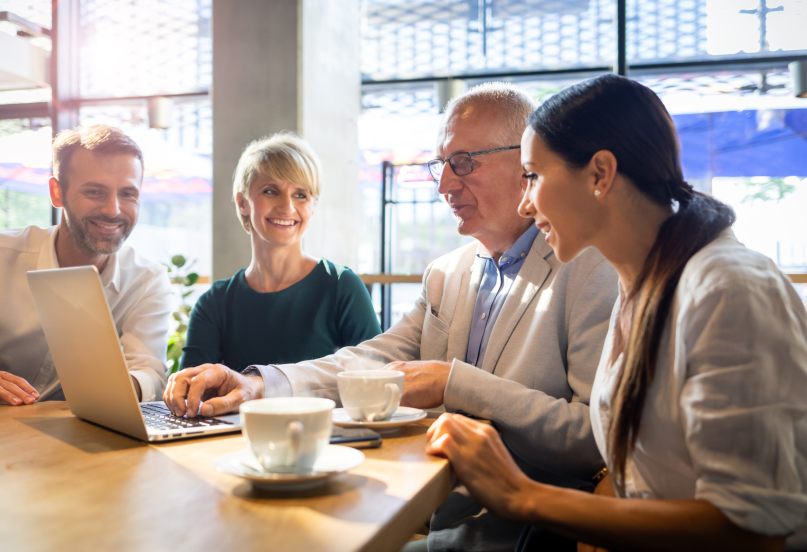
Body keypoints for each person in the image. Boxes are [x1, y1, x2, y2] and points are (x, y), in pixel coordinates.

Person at [165, 84, 620, 552]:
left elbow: (593, 439)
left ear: (525, 161)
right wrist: (260, 384)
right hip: (430, 513)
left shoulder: (591, 268)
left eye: (463, 162)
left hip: (524, 532)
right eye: (440, 165)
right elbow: (370, 360)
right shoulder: (446, 274)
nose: (444, 184)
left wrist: (452, 383)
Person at [425, 74, 807, 551]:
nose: (526, 201)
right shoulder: (641, 284)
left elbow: (752, 530)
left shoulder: (729, 288)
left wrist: (521, 495)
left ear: (600, 174)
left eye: (535, 176)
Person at [179, 132, 380, 372]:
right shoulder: (215, 303)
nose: (287, 207)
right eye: (270, 191)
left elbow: (375, 380)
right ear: (243, 203)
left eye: (301, 195)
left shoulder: (341, 287)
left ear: (313, 206)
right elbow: (190, 393)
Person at [0, 124, 171, 405]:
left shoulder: (146, 279)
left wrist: (116, 388)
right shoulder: (3, 257)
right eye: (94, 192)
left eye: (128, 194)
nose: (113, 210)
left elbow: (148, 371)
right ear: (57, 193)